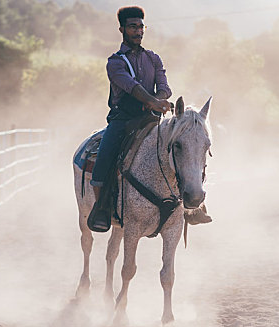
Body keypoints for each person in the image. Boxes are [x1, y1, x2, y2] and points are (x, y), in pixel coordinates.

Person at [89, 6, 211, 231]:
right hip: (122, 122)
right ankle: (102, 209)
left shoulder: (153, 58)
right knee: (102, 166)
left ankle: (193, 208)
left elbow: (165, 87)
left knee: (185, 147)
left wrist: (158, 99)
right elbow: (131, 87)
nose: (138, 31)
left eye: (141, 27)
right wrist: (153, 102)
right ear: (122, 29)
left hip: (151, 120)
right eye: (133, 27)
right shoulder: (115, 62)